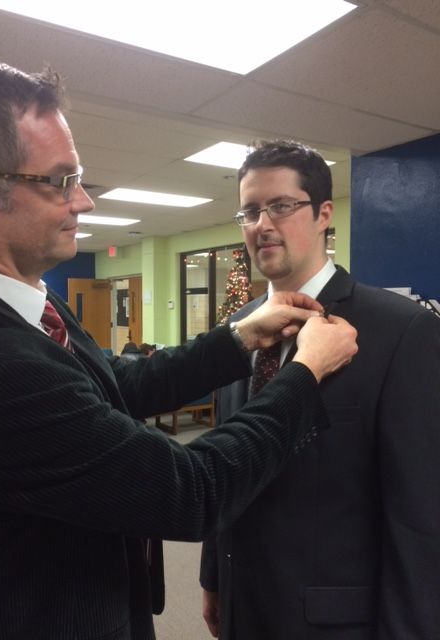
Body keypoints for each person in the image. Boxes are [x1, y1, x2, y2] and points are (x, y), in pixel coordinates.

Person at [0, 61, 357, 640]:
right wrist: (306, 370)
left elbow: (117, 384)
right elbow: (193, 489)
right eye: (59, 181)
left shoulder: (32, 303)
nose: (83, 202)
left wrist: (238, 336)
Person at [200, 139, 440, 639]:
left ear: (323, 214)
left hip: (335, 621)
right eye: (249, 211)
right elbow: (228, 457)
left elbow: (418, 514)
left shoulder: (401, 330)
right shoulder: (238, 330)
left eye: (281, 206)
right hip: (244, 607)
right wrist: (213, 577)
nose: (262, 224)